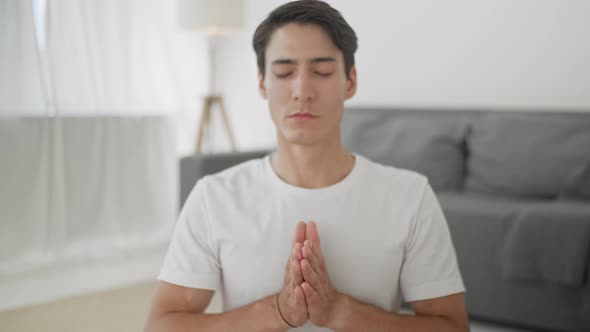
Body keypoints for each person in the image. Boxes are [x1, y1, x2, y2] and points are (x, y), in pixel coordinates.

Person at [145, 1, 468, 331]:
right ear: (262, 84)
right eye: (284, 72)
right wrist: (279, 311)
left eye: (323, 72)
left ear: (350, 81)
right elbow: (162, 325)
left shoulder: (409, 196)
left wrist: (341, 312)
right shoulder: (214, 197)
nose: (302, 91)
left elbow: (453, 326)